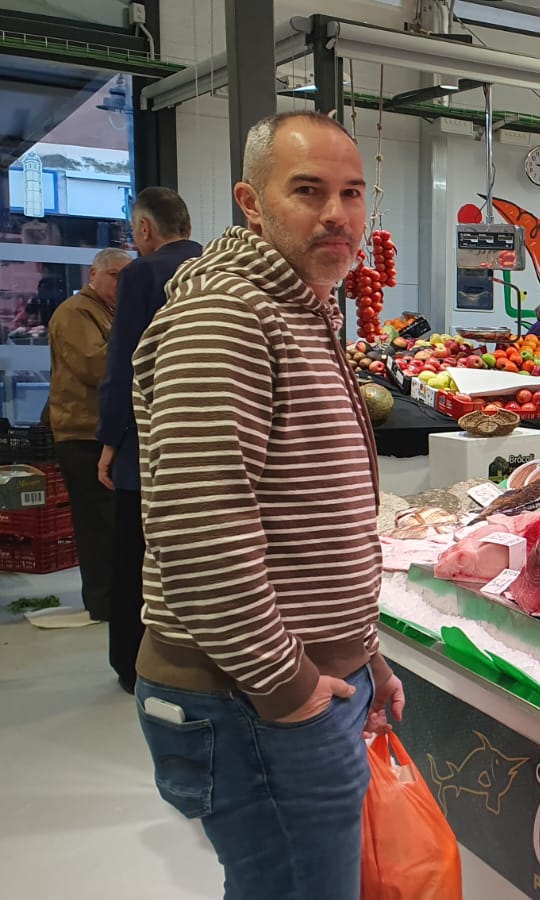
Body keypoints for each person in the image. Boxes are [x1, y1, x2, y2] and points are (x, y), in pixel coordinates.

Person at [130, 111, 403, 900]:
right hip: (248, 699)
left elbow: (306, 518)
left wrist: (363, 649)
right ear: (251, 202)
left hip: (285, 689)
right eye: (308, 191)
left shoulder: (300, 307)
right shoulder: (227, 317)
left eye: (352, 194)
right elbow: (199, 531)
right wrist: (290, 687)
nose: (336, 215)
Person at [96, 186, 203, 693]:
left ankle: (131, 663)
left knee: (136, 555)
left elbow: (126, 364)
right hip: (206, 441)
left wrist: (111, 440)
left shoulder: (142, 274)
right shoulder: (212, 268)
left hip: (149, 444)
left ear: (144, 229)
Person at [46, 247, 129, 624]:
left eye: (126, 276)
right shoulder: (76, 312)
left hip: (101, 430)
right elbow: (95, 365)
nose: (120, 283)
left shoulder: (108, 312)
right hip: (82, 432)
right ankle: (103, 602)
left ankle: (112, 600)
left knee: (110, 523)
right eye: (114, 275)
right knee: (97, 525)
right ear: (92, 275)